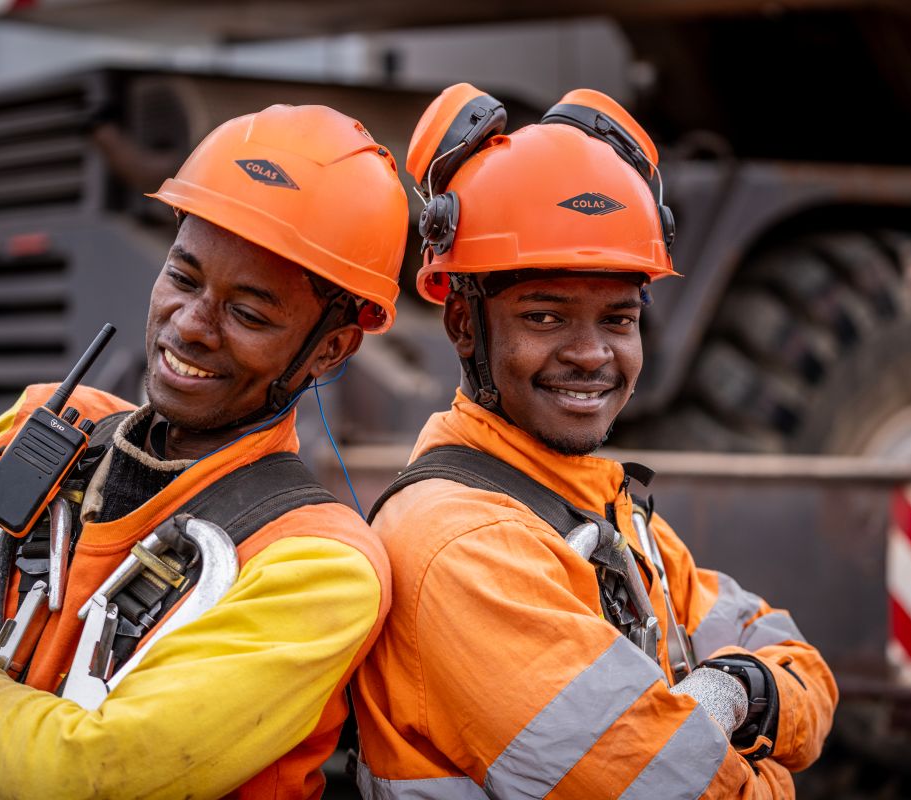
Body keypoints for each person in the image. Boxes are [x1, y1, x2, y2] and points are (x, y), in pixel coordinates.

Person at [0, 104, 408, 800]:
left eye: (248, 313)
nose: (191, 325)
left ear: (330, 349)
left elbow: (83, 778)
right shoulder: (36, 436)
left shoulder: (316, 568)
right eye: (183, 278)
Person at [353, 84, 838, 798]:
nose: (591, 354)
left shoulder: (604, 507)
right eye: (545, 317)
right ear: (463, 325)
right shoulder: (461, 547)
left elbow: (800, 663)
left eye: (618, 319)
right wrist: (769, 777)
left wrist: (742, 687)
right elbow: (666, 788)